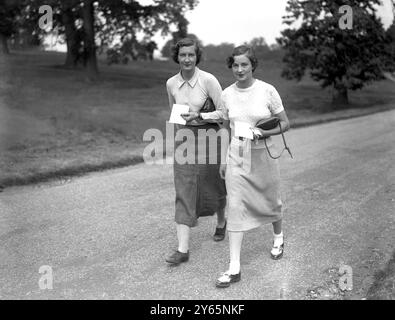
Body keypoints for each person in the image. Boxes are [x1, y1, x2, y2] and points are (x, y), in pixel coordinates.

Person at [182, 45, 290, 287]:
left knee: (271, 200)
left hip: (263, 155)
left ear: (253, 66)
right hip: (237, 155)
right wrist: (198, 117)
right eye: (235, 65)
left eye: (244, 65)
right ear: (231, 66)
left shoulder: (267, 91)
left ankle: (278, 236)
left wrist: (263, 133)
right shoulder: (228, 94)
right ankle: (234, 267)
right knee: (235, 206)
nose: (240, 69)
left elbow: (284, 124)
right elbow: (222, 119)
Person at [165, 38, 227, 265]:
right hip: (185, 138)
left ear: (196, 56)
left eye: (191, 55)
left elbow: (224, 113)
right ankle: (183, 250)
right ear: (177, 57)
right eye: (183, 55)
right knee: (184, 188)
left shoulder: (208, 80)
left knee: (214, 186)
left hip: (209, 136)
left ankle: (221, 221)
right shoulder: (171, 83)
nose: (187, 59)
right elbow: (173, 112)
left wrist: (201, 115)